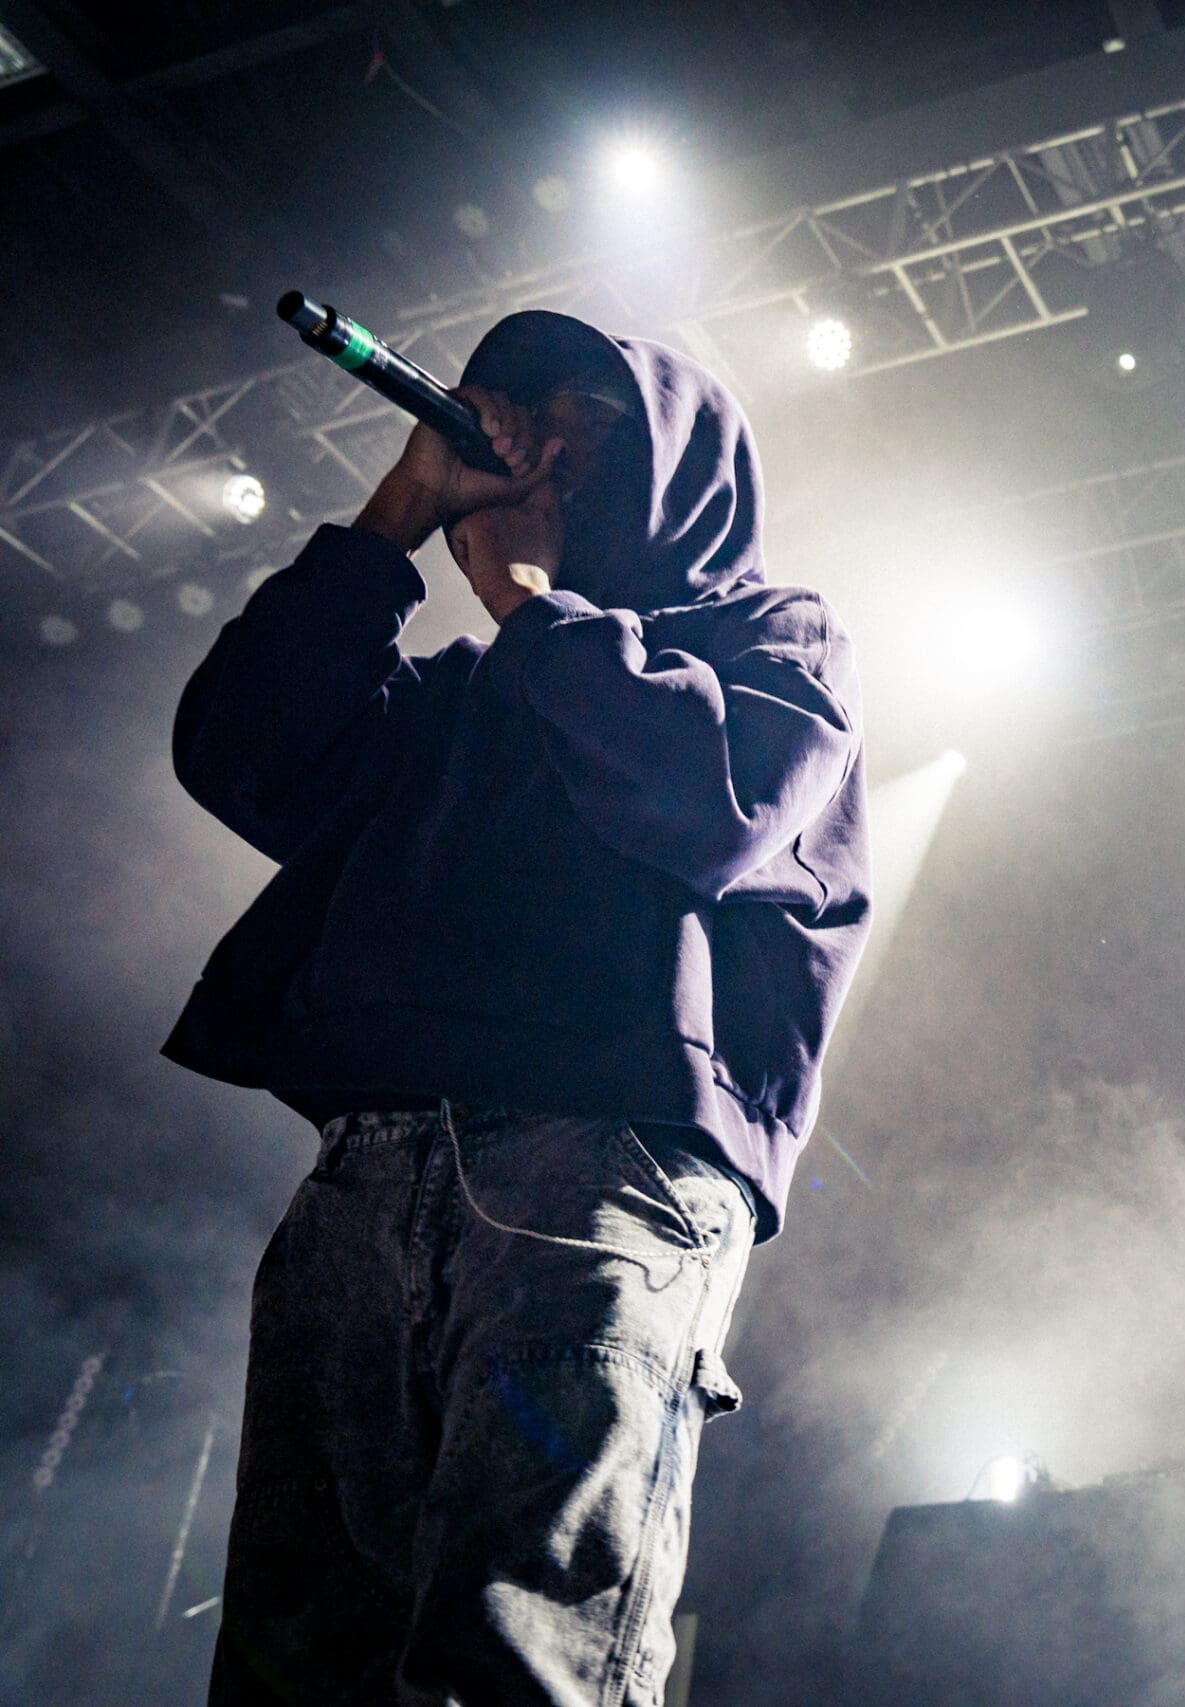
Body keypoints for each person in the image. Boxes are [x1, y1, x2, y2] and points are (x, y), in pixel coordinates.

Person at [164, 310, 870, 1704]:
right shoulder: (464, 698)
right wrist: (396, 518)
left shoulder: (773, 640)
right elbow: (242, 752)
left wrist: (539, 610)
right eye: (515, 413)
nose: (537, 445)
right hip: (368, 1168)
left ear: (678, 463)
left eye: (582, 418)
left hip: (601, 1163)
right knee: (300, 1662)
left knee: (519, 1652)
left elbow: (711, 808)